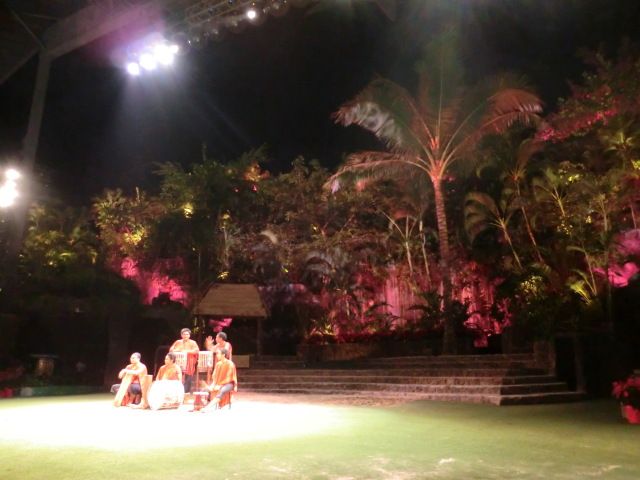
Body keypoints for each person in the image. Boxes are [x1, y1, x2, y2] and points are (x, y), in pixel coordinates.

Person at [169, 328, 199, 393]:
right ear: (181, 335)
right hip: (178, 361)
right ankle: (176, 391)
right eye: (184, 334)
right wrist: (178, 350)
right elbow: (171, 350)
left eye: (187, 334)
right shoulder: (178, 342)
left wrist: (186, 351)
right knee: (176, 375)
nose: (186, 336)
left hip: (189, 363)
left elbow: (196, 351)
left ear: (189, 335)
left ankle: (186, 392)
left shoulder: (193, 342)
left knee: (188, 377)